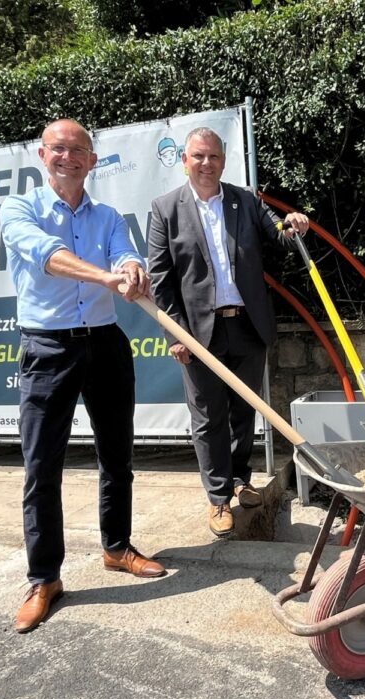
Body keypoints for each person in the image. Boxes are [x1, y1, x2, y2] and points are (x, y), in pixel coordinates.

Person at [1, 118, 167, 635]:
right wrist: (106, 276)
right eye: (59, 148)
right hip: (48, 347)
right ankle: (44, 578)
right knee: (42, 467)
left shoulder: (110, 216)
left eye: (79, 151)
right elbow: (48, 257)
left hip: (105, 343)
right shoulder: (19, 208)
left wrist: (132, 268)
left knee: (117, 455)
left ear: (93, 161)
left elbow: (126, 253)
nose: (69, 157)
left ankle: (117, 548)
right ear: (41, 153)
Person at [146, 127, 309, 538]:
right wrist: (175, 334)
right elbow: (161, 282)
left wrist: (292, 224)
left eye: (213, 157)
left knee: (243, 411)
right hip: (199, 333)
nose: (206, 164)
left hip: (247, 325)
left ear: (223, 160)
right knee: (207, 416)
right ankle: (218, 497)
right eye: (198, 156)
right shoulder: (165, 209)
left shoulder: (246, 201)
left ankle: (239, 480)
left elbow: (281, 237)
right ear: (185, 160)